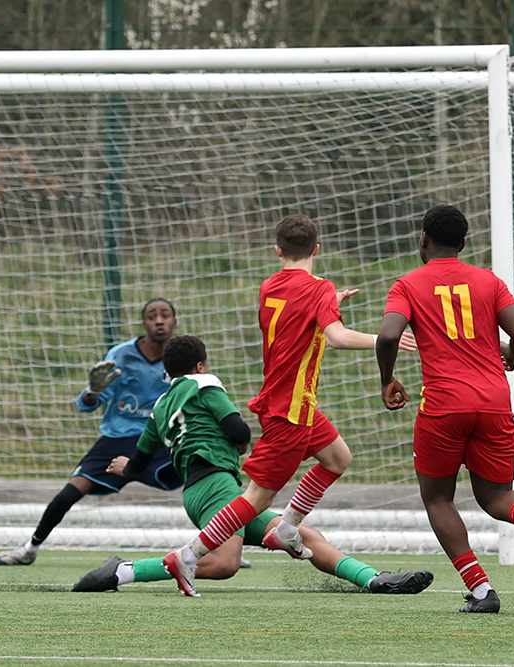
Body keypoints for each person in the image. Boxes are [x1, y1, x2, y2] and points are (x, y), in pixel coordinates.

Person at [160, 214, 417, 596]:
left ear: (277, 251)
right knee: (255, 499)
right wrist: (386, 338)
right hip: (290, 411)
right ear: (317, 249)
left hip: (293, 403)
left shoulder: (269, 286)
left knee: (337, 458)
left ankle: (287, 528)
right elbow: (337, 338)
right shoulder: (318, 288)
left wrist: (329, 301)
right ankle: (188, 556)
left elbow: (299, 317)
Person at [72, 335, 433, 596]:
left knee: (305, 535)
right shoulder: (204, 384)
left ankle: (375, 579)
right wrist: (242, 443)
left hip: (202, 490)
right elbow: (236, 429)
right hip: (216, 485)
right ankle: (124, 571)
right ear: (200, 366)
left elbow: (138, 463)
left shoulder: (161, 406)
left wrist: (125, 468)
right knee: (227, 563)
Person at [374, 204, 514, 614]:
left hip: (444, 407)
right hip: (494, 403)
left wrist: (387, 378)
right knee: (495, 494)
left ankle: (480, 590)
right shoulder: (487, 281)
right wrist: (509, 351)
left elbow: (388, 335)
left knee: (438, 498)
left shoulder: (407, 284)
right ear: (463, 242)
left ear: (423, 239)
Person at [0, 298, 184, 565]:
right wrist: (92, 392)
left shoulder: (182, 357)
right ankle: (29, 549)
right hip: (118, 440)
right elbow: (88, 404)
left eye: (165, 315)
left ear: (175, 321)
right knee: (72, 490)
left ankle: (227, 546)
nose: (159, 320)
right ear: (144, 323)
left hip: (159, 440)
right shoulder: (121, 354)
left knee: (206, 477)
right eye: (152, 316)